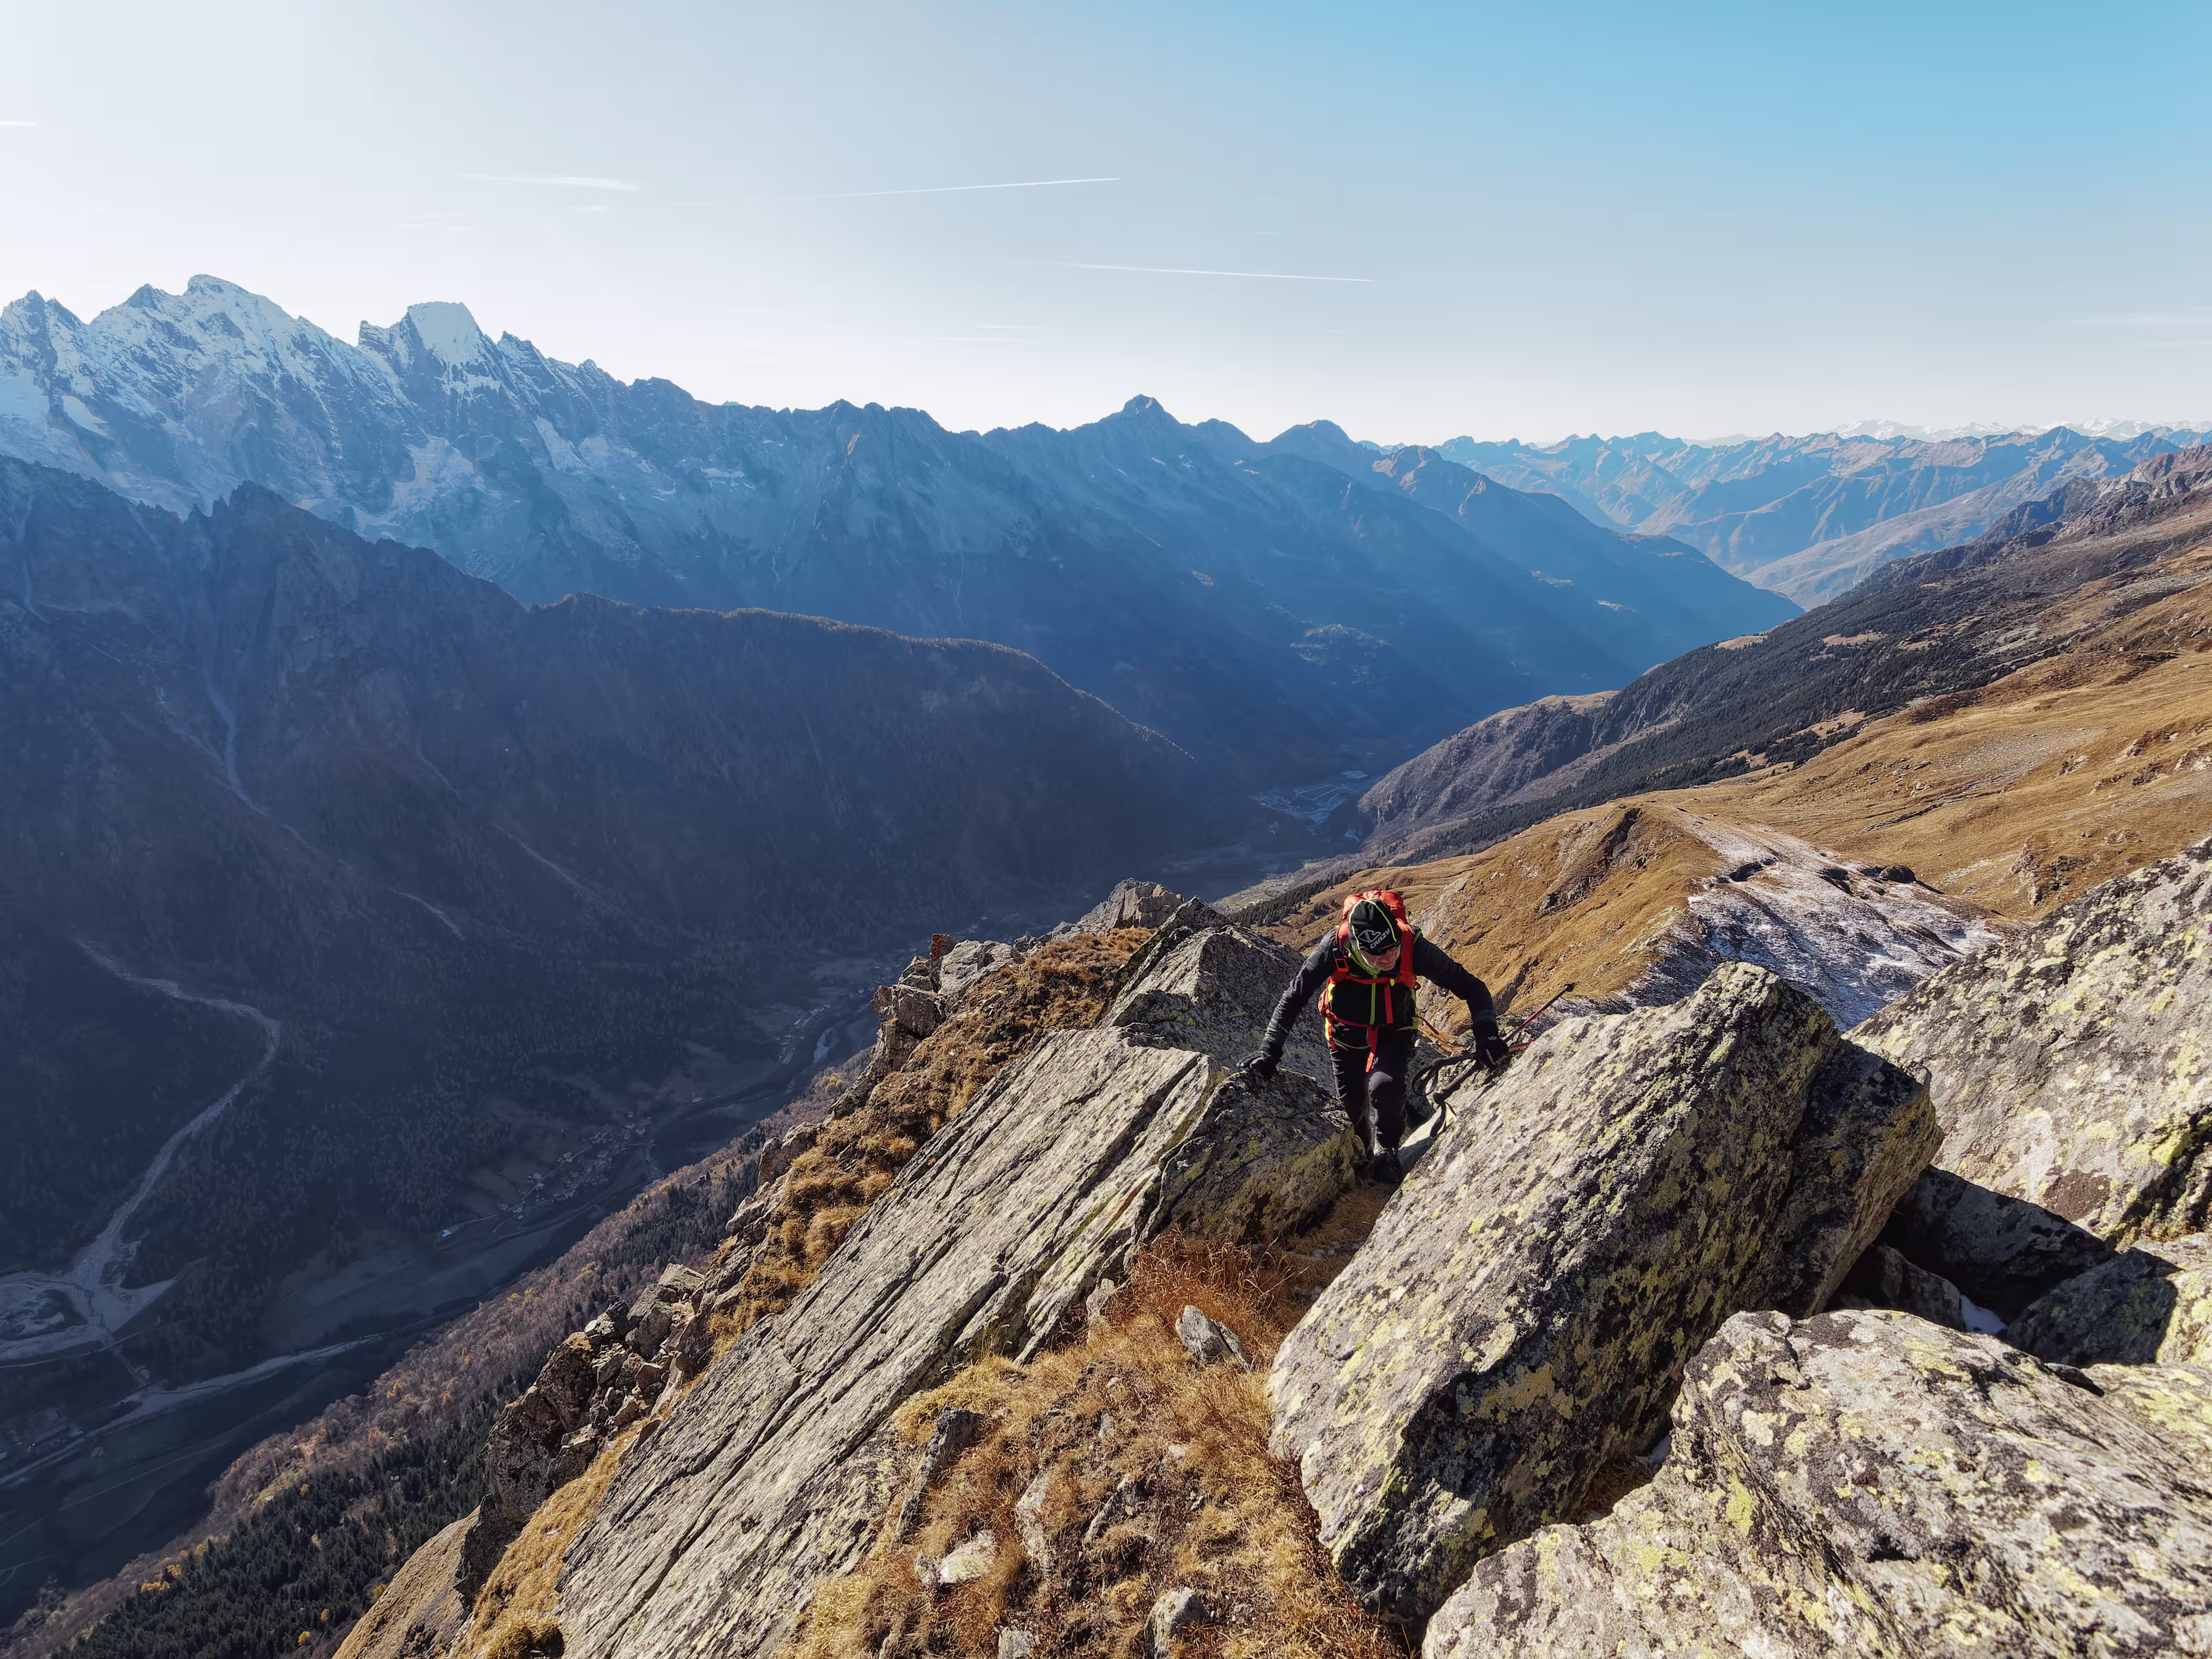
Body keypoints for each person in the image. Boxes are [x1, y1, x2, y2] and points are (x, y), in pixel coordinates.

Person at [1240, 889, 1509, 1182]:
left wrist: (1487, 1035)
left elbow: (1471, 987)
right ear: (1356, 946)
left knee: (1386, 1086)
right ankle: (1363, 1155)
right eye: (1377, 954)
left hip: (1397, 1027)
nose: (1389, 958)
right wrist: (1270, 1049)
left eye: (1392, 948)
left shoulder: (1411, 945)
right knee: (1352, 1106)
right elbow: (1295, 995)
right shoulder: (1335, 947)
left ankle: (1388, 1151)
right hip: (1345, 1031)